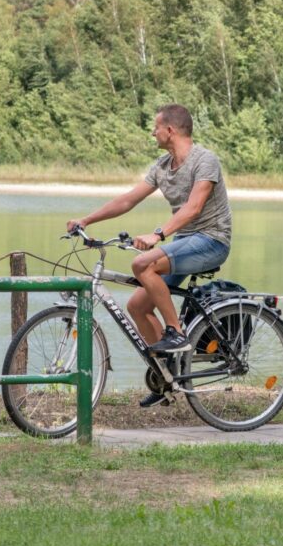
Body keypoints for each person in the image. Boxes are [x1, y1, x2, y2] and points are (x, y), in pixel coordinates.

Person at [67, 104, 232, 407]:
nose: (152, 132)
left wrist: (158, 235)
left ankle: (176, 333)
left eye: (155, 127)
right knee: (137, 306)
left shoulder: (205, 160)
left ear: (171, 130)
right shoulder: (161, 166)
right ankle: (166, 375)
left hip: (211, 240)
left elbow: (194, 208)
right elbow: (128, 200)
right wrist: (86, 221)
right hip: (184, 242)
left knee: (142, 263)